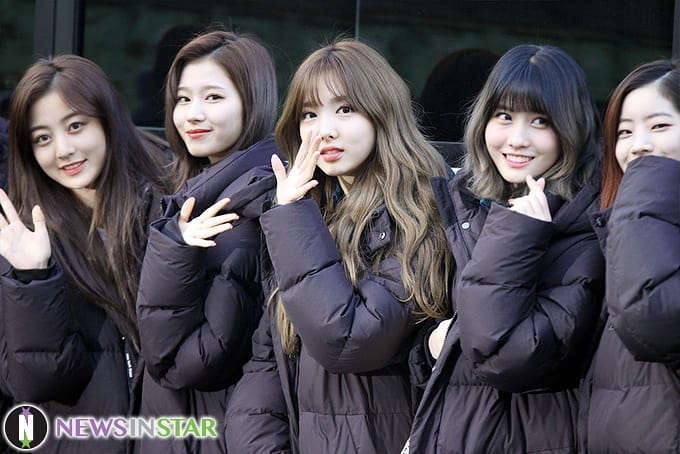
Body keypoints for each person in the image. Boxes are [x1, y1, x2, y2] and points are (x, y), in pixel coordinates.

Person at [225, 39, 454, 453]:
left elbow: (351, 339)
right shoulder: (306, 212)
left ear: (381, 112)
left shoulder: (421, 212)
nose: (324, 129)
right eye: (309, 114)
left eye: (345, 110)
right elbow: (269, 360)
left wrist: (291, 217)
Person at [407, 44, 605, 453]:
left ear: (572, 129)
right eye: (504, 116)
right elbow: (437, 340)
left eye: (540, 121)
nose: (517, 139)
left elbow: (509, 358)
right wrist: (428, 348)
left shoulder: (587, 228)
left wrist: (519, 233)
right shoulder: (466, 204)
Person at [0, 54, 170, 453]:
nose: (63, 150)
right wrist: (33, 279)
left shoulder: (170, 205)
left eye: (76, 126)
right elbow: (34, 384)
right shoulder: (21, 240)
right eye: (42, 138)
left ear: (107, 119)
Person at [135, 29, 279, 454]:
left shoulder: (247, 206)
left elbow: (185, 361)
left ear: (252, 102)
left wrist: (174, 248)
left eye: (213, 97)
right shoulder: (190, 191)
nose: (192, 114)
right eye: (183, 99)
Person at [580, 59, 680, 453]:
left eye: (659, 126)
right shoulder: (622, 226)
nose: (638, 144)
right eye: (624, 131)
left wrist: (643, 195)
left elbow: (652, 323)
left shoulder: (638, 219)